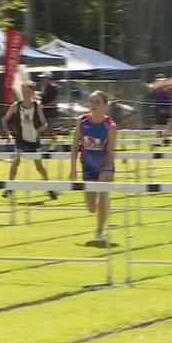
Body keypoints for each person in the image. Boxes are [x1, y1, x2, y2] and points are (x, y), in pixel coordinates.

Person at [69, 90, 116, 243]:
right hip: (87, 166)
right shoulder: (82, 121)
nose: (93, 105)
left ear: (105, 105)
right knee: (91, 207)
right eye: (91, 102)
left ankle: (99, 232)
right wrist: (73, 168)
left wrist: (111, 167)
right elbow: (75, 145)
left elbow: (111, 150)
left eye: (97, 102)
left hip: (104, 165)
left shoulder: (110, 126)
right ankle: (104, 208)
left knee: (102, 197)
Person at [1, 81, 57, 200]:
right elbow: (4, 120)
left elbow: (44, 124)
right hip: (21, 138)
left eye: (27, 91)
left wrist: (38, 131)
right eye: (23, 91)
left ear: (32, 92)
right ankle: (9, 187)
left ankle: (49, 188)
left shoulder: (36, 105)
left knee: (39, 166)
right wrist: (8, 135)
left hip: (33, 139)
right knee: (16, 161)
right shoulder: (16, 105)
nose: (25, 94)